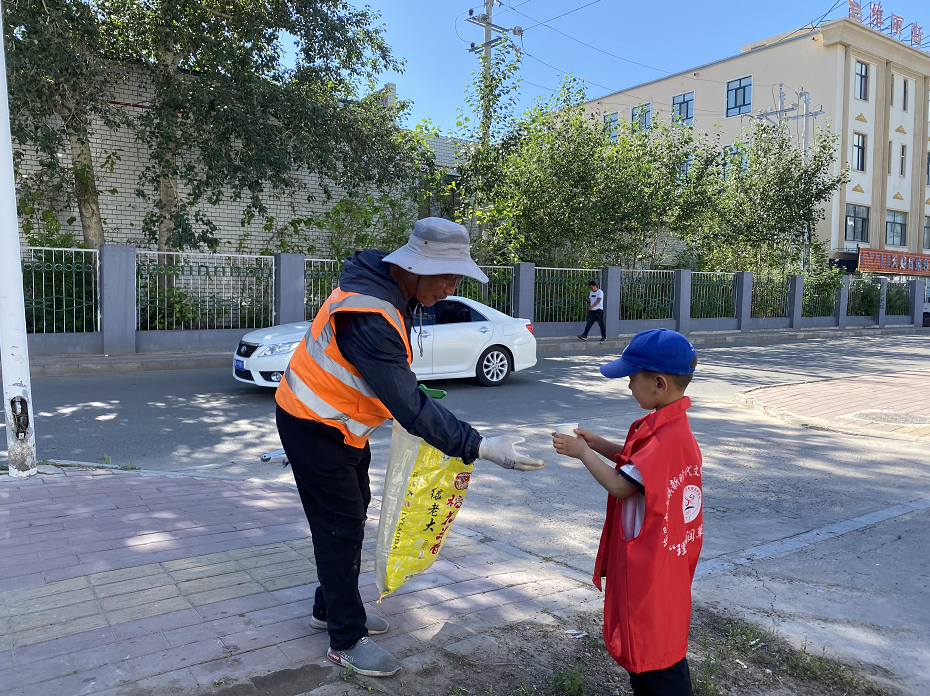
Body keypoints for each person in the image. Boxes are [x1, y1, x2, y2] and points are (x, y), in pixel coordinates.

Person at [275, 217, 546, 678]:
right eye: (448, 277)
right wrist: (478, 446)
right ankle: (345, 637)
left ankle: (331, 607)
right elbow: (409, 406)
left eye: (459, 278)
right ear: (416, 267)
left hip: (339, 426)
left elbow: (394, 387)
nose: (451, 288)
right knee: (339, 525)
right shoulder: (369, 314)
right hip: (312, 424)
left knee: (352, 511)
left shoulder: (388, 291)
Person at [551, 328, 702, 696]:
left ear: (659, 383)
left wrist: (582, 453)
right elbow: (638, 468)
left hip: (651, 565)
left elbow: (622, 485)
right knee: (658, 648)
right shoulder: (671, 429)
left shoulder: (666, 438)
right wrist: (598, 443)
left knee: (655, 659)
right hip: (666, 561)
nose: (629, 385)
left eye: (632, 378)